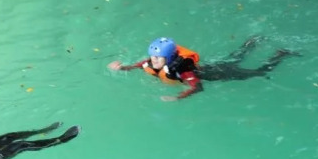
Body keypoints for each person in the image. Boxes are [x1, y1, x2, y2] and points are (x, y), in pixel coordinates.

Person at [107, 36, 298, 101]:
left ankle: (281, 54)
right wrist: (122, 68)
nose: (153, 60)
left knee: (259, 72)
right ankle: (253, 41)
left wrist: (178, 97)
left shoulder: (184, 71)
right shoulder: (151, 62)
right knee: (236, 56)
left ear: (169, 58)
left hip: (219, 74)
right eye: (152, 56)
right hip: (213, 66)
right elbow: (138, 66)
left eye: (158, 57)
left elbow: (197, 87)